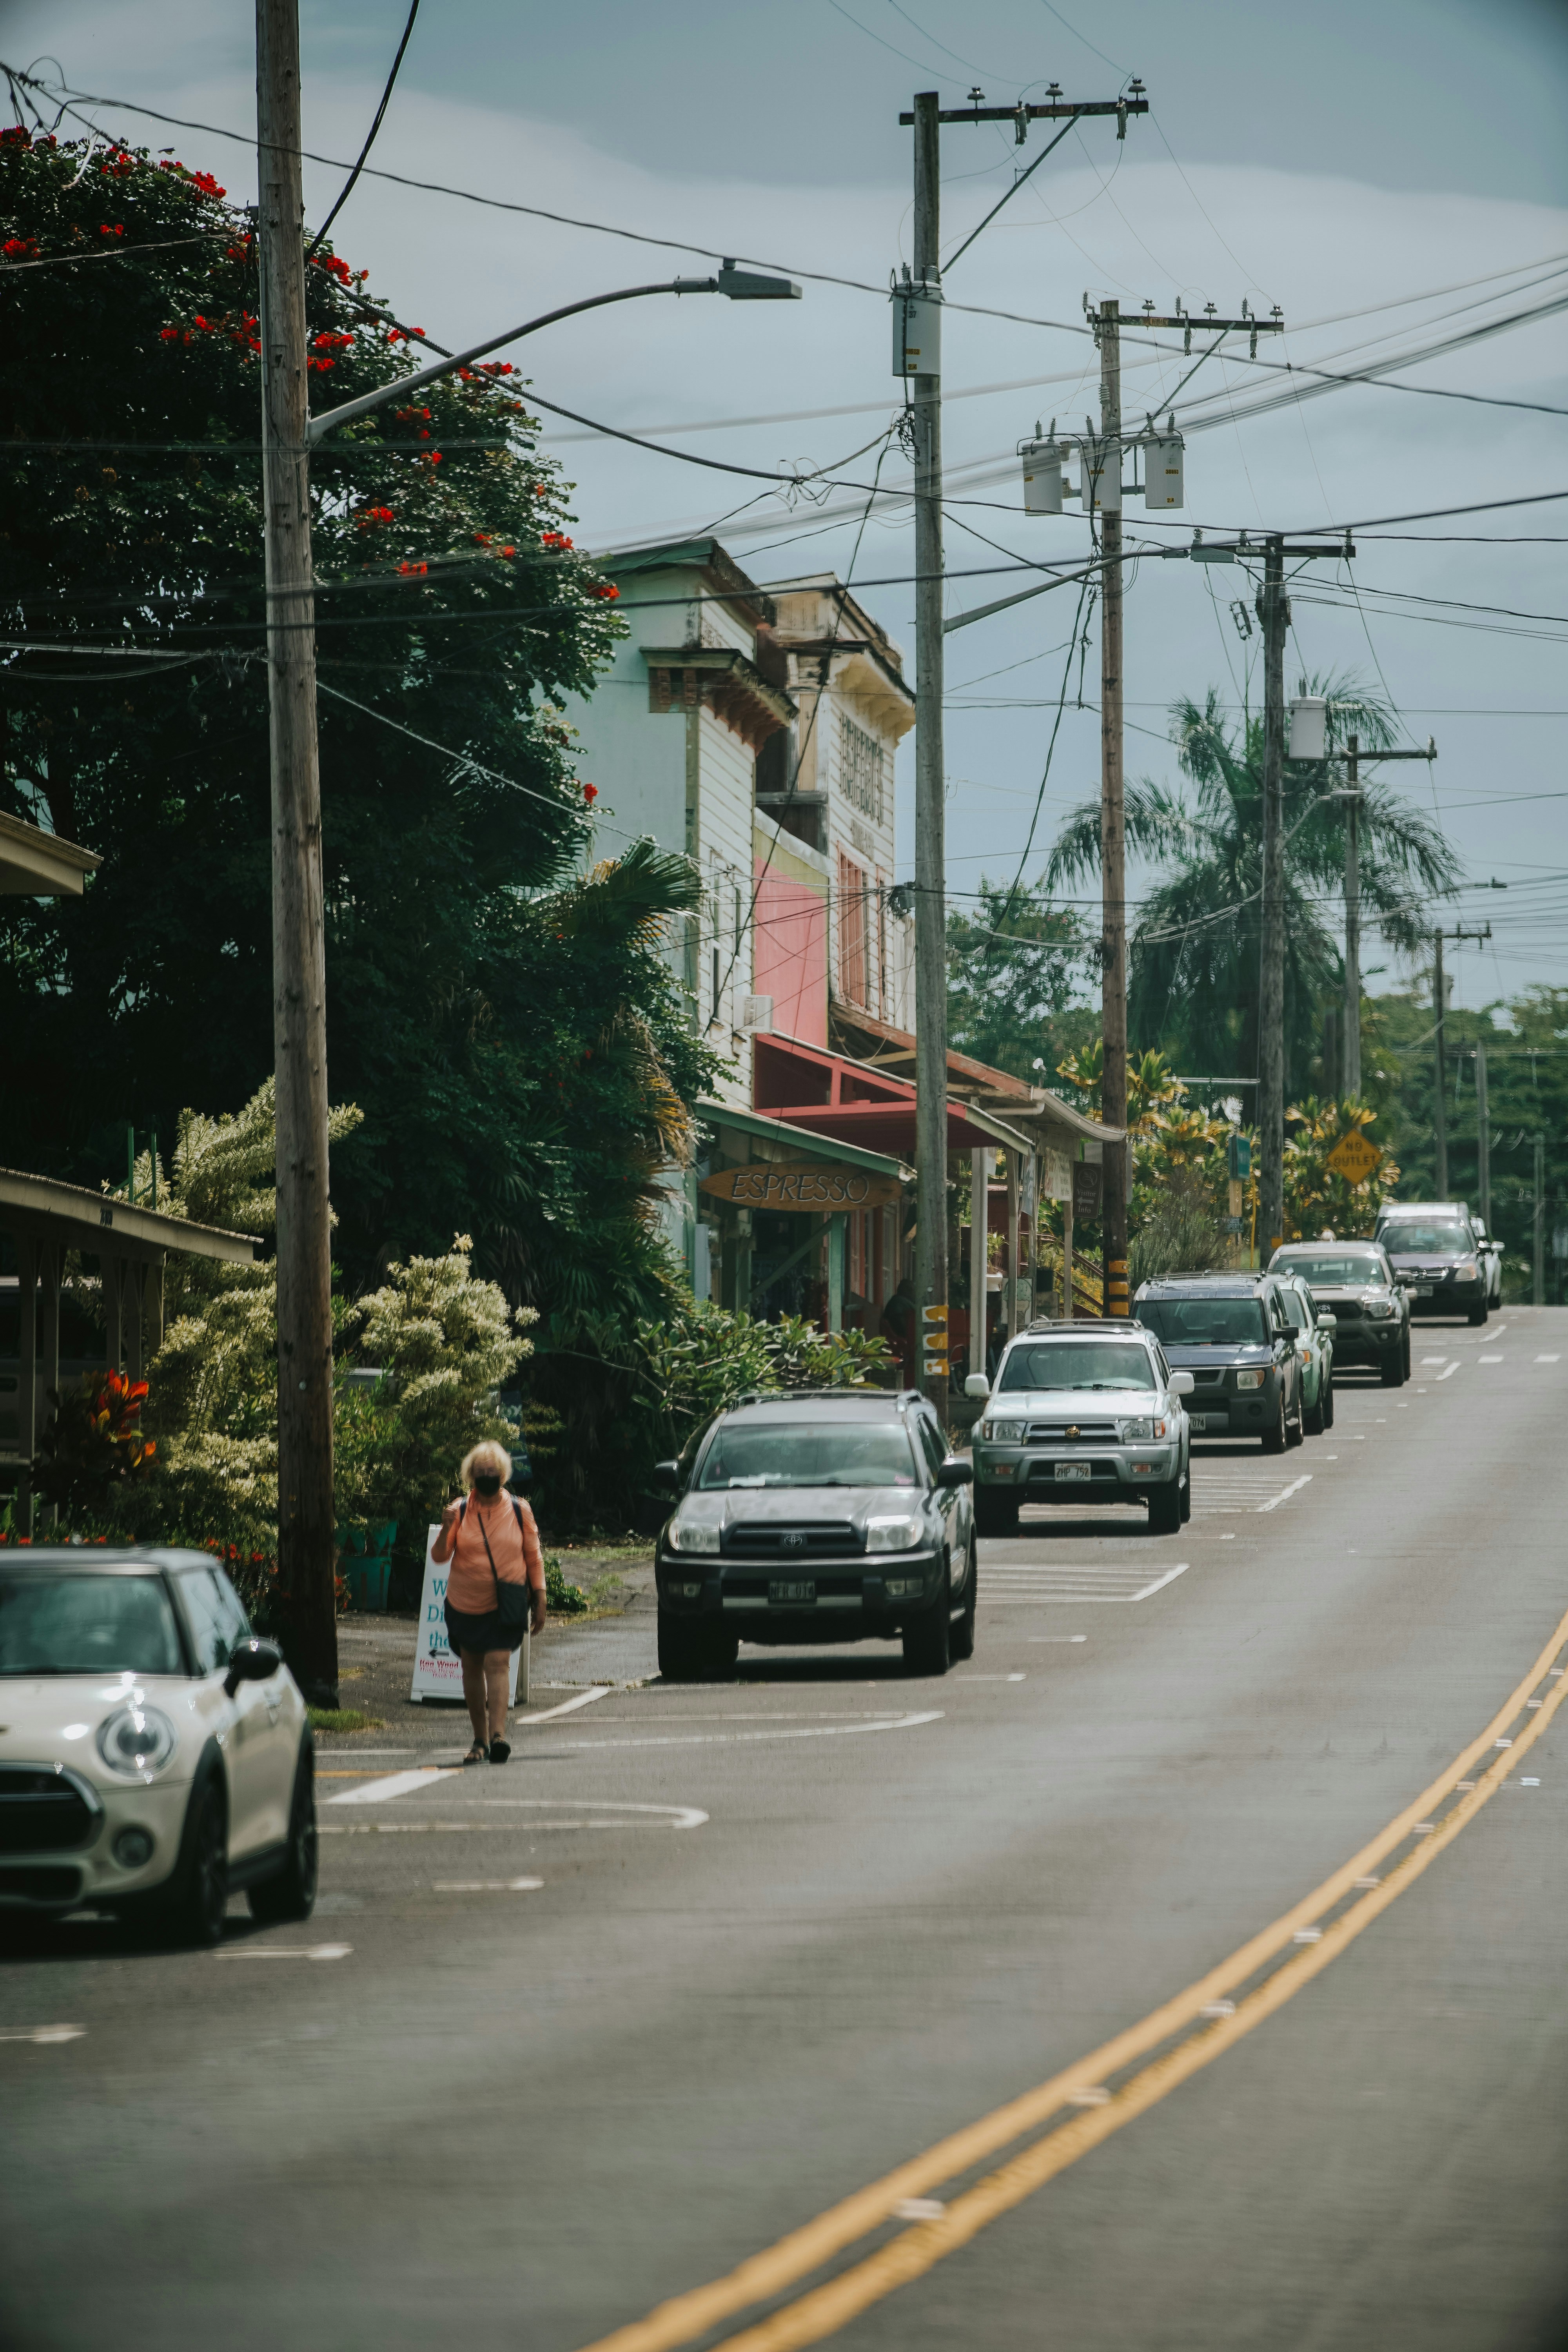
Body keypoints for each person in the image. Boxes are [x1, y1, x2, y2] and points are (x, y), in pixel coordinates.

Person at [432, 1439, 546, 1765]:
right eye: (480, 1472)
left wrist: (540, 1596)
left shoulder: (519, 1510)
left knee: (498, 1664)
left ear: (503, 1474)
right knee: (471, 1668)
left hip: (505, 1606)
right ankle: (479, 1740)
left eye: (492, 1471)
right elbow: (440, 1557)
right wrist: (446, 1529)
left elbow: (533, 1557)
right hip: (465, 1605)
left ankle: (498, 1737)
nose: (486, 1476)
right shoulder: (460, 1510)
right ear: (471, 1476)